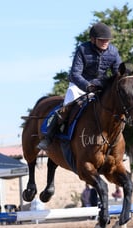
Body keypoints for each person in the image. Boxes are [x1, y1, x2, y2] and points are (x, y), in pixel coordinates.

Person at [38, 22, 122, 150]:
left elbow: (118, 74)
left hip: (101, 86)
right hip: (79, 84)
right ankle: (49, 136)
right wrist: (87, 86)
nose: (105, 42)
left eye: (107, 40)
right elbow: (75, 74)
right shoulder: (83, 49)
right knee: (67, 104)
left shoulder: (113, 52)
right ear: (93, 40)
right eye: (102, 40)